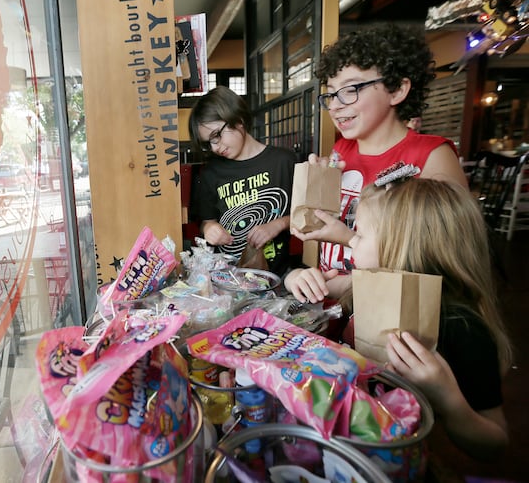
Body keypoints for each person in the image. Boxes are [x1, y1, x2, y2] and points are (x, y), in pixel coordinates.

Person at [288, 177, 511, 461]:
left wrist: (448, 399)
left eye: (360, 235)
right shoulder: (367, 285)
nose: (350, 242)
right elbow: (308, 291)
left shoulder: (464, 329)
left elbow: (495, 443)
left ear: (402, 248)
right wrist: (297, 277)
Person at [286, 23, 468, 299]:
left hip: (391, 312)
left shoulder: (432, 155)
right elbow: (320, 233)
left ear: (397, 90)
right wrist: (314, 193)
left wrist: (347, 250)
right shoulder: (341, 149)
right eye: (331, 93)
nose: (335, 106)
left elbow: (440, 264)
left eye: (350, 90)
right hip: (334, 306)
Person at [189, 86, 297, 277]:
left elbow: (310, 215)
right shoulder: (210, 173)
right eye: (208, 143)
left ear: (238, 121)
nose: (215, 147)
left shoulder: (284, 162)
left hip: (280, 279)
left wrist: (278, 224)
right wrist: (210, 228)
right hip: (229, 281)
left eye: (216, 135)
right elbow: (207, 220)